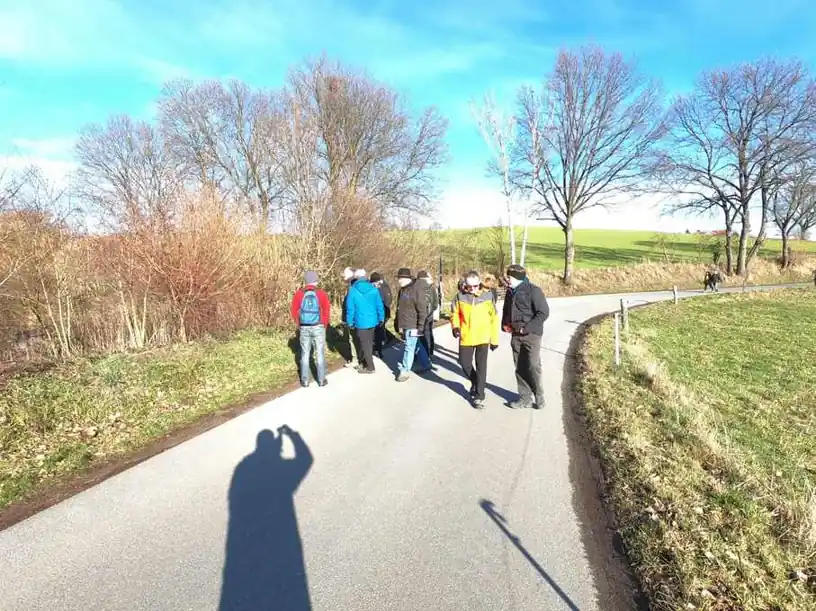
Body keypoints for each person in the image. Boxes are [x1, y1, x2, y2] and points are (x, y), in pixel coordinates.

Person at [501, 264, 550, 409]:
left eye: (509, 277)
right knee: (520, 367)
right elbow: (506, 310)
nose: (507, 279)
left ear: (517, 278)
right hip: (516, 335)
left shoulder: (534, 291)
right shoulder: (510, 292)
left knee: (533, 365)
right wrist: (504, 324)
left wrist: (526, 328)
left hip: (532, 335)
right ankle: (524, 398)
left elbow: (543, 312)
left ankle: (539, 396)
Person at [451, 270, 499, 409]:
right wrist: (455, 327)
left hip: (483, 336)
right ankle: (476, 382)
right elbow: (454, 313)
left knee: (481, 366)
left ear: (479, 284)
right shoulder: (460, 296)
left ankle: (479, 395)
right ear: (465, 285)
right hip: (466, 336)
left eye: (475, 286)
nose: (472, 289)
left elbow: (494, 318)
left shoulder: (488, 296)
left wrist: (494, 339)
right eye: (469, 286)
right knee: (464, 362)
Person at [290, 270, 331, 387]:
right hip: (319, 326)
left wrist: (299, 324)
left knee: (305, 353)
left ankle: (305, 380)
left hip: (304, 327)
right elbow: (326, 311)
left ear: (306, 281)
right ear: (316, 280)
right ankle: (321, 380)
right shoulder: (321, 294)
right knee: (320, 352)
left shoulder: (299, 294)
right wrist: (324, 325)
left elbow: (294, 311)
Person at [394, 267, 432, 382]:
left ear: (407, 278)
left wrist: (420, 327)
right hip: (405, 323)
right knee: (417, 345)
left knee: (409, 347)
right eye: (398, 278)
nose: (399, 281)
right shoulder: (402, 290)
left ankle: (405, 371)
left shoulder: (416, 290)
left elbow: (422, 311)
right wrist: (397, 323)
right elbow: (399, 308)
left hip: (413, 325)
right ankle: (426, 364)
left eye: (400, 278)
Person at [345, 268, 385, 374]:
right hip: (373, 320)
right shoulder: (373, 289)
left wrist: (349, 322)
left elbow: (350, 308)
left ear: (356, 277)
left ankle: (370, 367)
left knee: (364, 344)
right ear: (366, 277)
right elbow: (379, 305)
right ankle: (366, 363)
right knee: (369, 343)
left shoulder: (353, 290)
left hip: (360, 321)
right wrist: (381, 317)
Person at [416, 270, 439, 358]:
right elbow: (436, 303)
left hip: (419, 315)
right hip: (429, 315)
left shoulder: (415, 286)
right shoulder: (432, 287)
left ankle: (418, 353)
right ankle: (429, 352)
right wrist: (432, 311)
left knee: (418, 334)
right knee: (428, 333)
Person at [370, 271, 393, 358]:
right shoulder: (372, 288)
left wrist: (384, 310)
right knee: (377, 331)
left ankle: (378, 349)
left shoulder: (384, 287)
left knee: (379, 331)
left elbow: (388, 300)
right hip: (375, 313)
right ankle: (378, 345)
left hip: (381, 312)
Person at [340, 267, 359, 368]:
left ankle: (356, 359)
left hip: (353, 317)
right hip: (355, 316)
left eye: (345, 273)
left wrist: (347, 319)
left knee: (353, 338)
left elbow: (350, 304)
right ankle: (359, 358)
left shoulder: (352, 286)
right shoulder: (354, 284)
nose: (344, 275)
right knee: (355, 338)